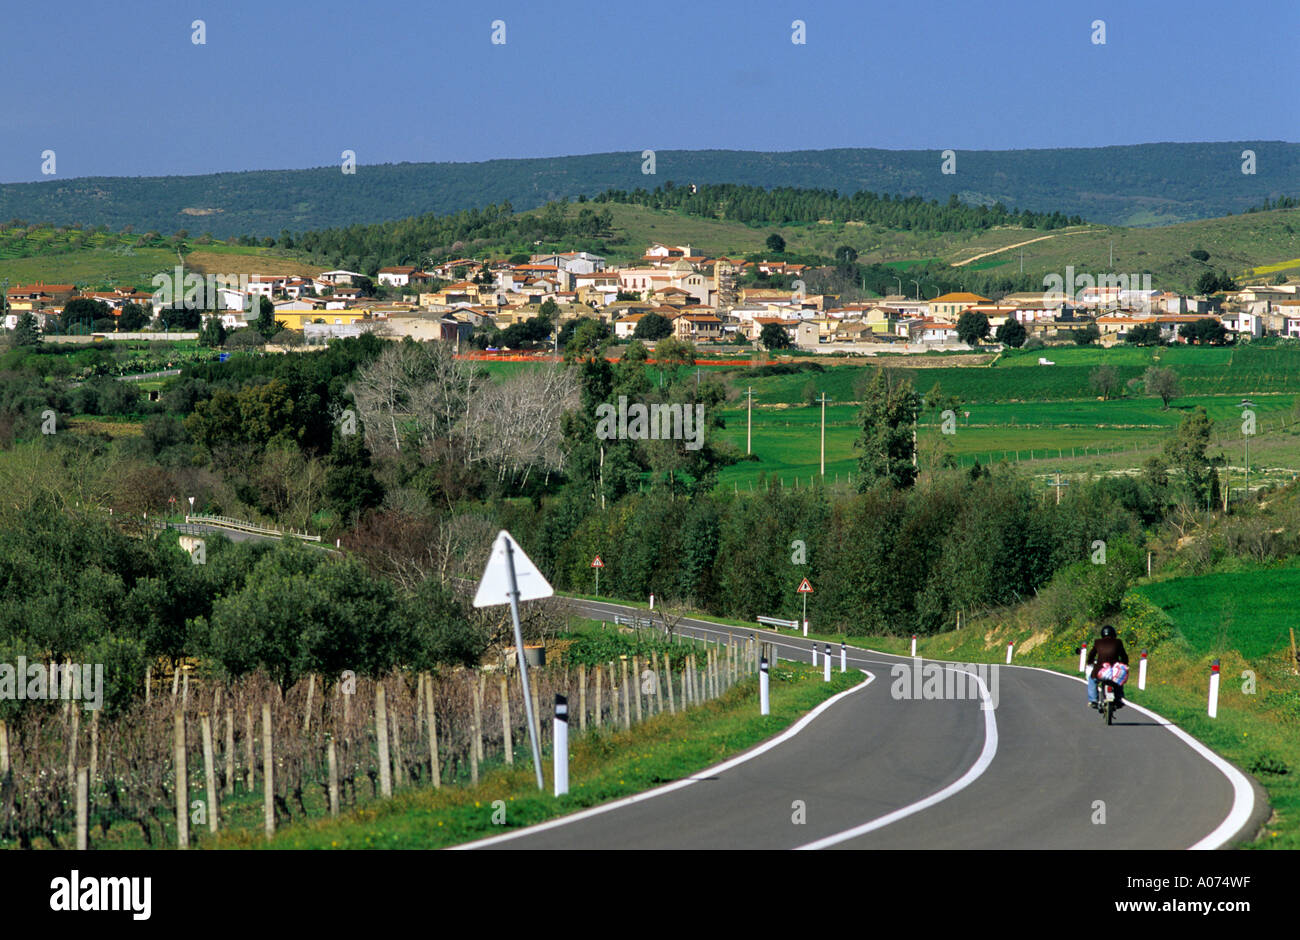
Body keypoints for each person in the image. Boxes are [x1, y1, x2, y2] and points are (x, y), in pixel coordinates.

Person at [1086, 625, 1129, 710]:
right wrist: (1125, 663)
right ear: (1114, 633)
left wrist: (1089, 662)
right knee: (1119, 679)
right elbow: (1123, 655)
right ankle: (1118, 699)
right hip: (1113, 670)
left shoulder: (1097, 642)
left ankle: (1093, 700)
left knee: (1092, 680)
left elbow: (1091, 654)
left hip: (1100, 670)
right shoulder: (1118, 642)